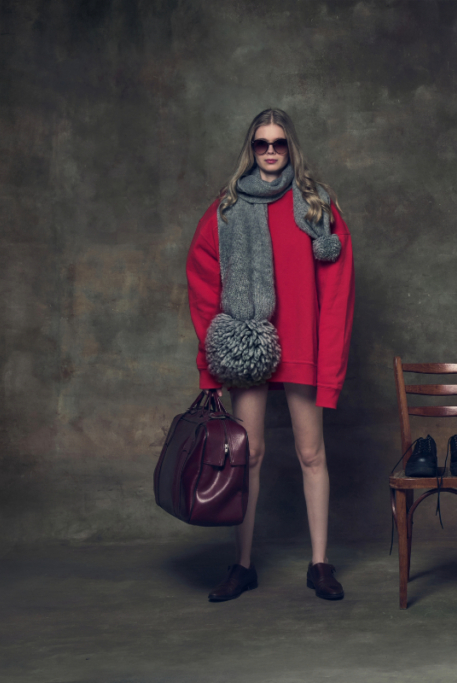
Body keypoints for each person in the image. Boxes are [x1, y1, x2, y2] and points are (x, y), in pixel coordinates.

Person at [186, 109, 354, 602]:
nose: (271, 151)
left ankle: (320, 564)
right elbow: (202, 281)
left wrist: (330, 361)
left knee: (311, 453)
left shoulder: (316, 206)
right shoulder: (227, 208)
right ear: (251, 148)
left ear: (290, 147)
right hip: (247, 345)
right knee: (248, 455)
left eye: (279, 142)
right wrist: (215, 350)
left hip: (301, 344)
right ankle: (242, 565)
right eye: (262, 143)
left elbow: (338, 290)